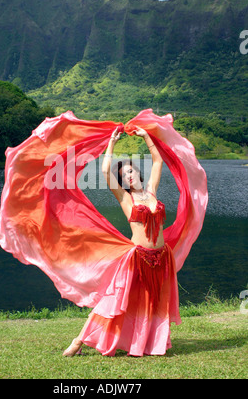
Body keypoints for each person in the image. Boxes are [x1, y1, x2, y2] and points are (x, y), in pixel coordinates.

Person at [63, 126, 181, 357]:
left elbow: (157, 162)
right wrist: (112, 142)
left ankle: (146, 344)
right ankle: (79, 340)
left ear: (138, 173)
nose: (129, 175)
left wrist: (146, 136)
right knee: (115, 301)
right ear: (123, 180)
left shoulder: (152, 192)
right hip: (137, 257)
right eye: (125, 174)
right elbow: (106, 170)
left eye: (131, 171)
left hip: (161, 257)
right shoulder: (126, 198)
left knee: (153, 303)